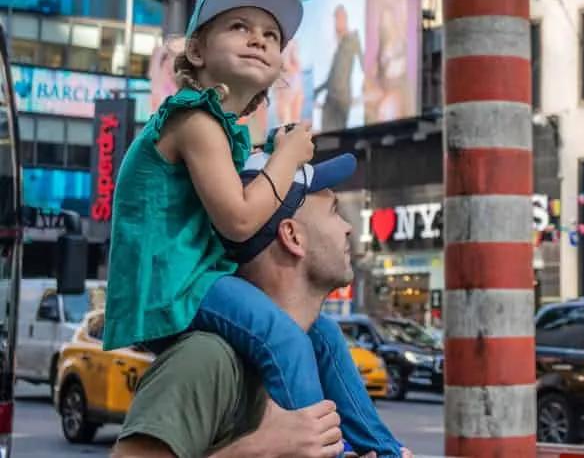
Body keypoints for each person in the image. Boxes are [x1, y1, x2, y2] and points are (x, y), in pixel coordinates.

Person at [103, 0, 402, 456]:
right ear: (197, 52)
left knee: (319, 330)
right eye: (239, 26)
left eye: (272, 35)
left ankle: (385, 450)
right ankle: (323, 451)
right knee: (284, 336)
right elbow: (240, 222)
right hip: (174, 284)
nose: (259, 38)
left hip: (193, 279)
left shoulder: (223, 133)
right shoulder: (193, 119)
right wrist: (286, 158)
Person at [112, 150, 410, 458]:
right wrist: (256, 450)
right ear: (292, 236)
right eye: (334, 211)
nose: (348, 227)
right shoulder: (206, 359)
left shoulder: (318, 352)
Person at [316, 5, 362, 132]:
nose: (337, 22)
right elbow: (332, 76)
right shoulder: (336, 46)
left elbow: (364, 65)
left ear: (345, 19)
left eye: (340, 18)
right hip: (329, 100)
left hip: (342, 100)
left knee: (339, 135)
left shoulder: (353, 38)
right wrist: (315, 93)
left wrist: (362, 94)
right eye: (336, 18)